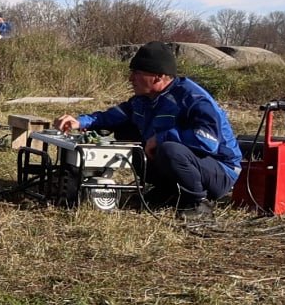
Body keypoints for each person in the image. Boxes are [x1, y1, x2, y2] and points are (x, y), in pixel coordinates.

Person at [52, 41, 241, 217]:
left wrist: (160, 138)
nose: (130, 78)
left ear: (158, 76)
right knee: (126, 134)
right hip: (189, 163)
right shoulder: (143, 99)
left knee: (170, 149)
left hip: (221, 170)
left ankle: (197, 203)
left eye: (137, 72)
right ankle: (167, 192)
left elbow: (207, 141)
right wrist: (80, 122)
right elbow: (111, 117)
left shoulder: (194, 99)